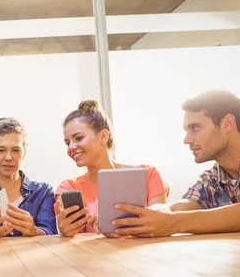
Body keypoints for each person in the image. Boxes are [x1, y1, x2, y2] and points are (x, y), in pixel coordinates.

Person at [110, 90, 240, 237]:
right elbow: (173, 209)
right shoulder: (211, 181)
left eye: (195, 128)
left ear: (228, 123)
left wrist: (173, 223)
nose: (187, 140)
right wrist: (126, 222)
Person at [55, 100, 169, 237]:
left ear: (103, 136)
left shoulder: (148, 175)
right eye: (67, 143)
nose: (71, 147)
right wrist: (64, 231)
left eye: (78, 138)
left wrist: (117, 225)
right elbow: (72, 240)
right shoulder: (68, 187)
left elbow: (161, 225)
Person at [0, 118, 57, 238]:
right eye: (1, 150)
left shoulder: (43, 192)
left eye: (16, 150)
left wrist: (34, 231)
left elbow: (50, 234)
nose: (8, 157)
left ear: (23, 153)